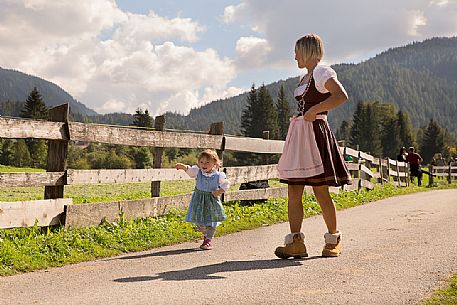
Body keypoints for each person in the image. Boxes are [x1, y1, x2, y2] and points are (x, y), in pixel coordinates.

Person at [276, 34, 352, 259]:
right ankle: (296, 242)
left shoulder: (322, 72)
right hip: (301, 135)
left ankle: (333, 240)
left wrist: (314, 110)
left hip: (315, 135)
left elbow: (340, 96)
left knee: (320, 190)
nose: (294, 56)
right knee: (294, 190)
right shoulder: (305, 77)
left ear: (307, 51)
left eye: (297, 51)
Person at [175, 149, 230, 250]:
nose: (204, 164)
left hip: (211, 200)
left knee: (211, 220)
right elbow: (190, 171)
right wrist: (183, 167)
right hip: (199, 200)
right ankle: (206, 235)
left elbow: (226, 184)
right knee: (199, 221)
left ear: (215, 163)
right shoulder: (198, 172)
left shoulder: (218, 176)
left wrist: (219, 191)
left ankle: (208, 239)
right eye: (201, 162)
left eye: (207, 162)